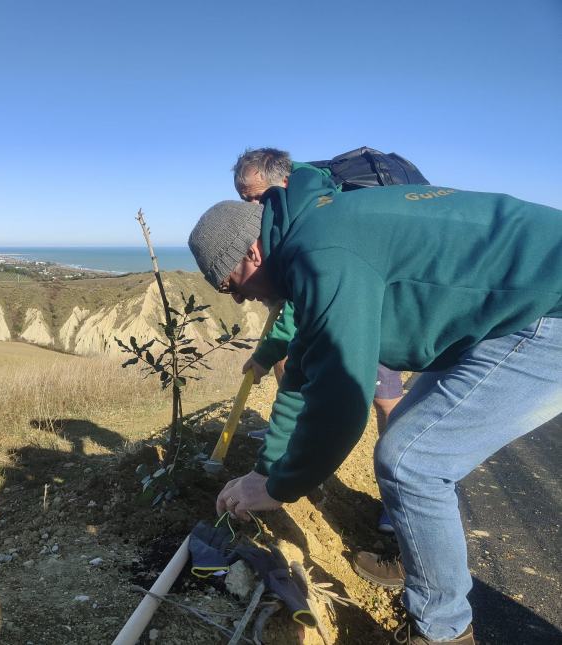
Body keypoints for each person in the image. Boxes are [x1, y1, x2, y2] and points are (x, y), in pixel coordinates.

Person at [187, 168, 562, 644]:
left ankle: (443, 633)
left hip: (547, 308)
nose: (241, 298)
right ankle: (425, 561)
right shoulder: (312, 229)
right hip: (515, 307)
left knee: (411, 460)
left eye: (231, 284)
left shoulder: (322, 252)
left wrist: (282, 486)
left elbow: (342, 402)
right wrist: (266, 469)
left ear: (253, 252)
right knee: (409, 439)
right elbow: (304, 371)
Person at [232, 147, 406, 532]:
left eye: (257, 197)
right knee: (296, 364)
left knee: (388, 407)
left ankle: (402, 501)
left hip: (370, 305)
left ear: (283, 182)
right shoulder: (295, 215)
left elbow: (342, 412)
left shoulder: (316, 224)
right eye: (245, 200)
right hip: (358, 299)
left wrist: (280, 483)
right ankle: (292, 439)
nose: (253, 208)